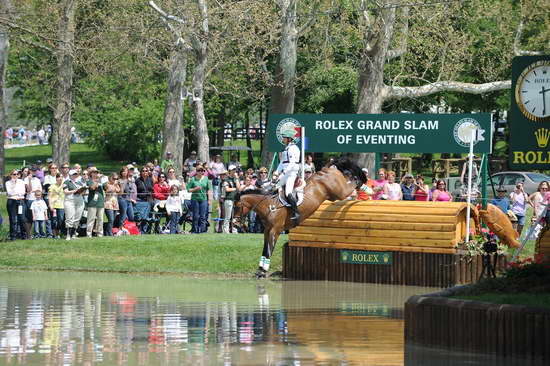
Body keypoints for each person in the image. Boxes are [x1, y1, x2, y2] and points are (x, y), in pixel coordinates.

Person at [275, 129, 301, 223]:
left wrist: (283, 173)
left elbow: (292, 163)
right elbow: (282, 162)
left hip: (291, 173)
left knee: (288, 192)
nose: (283, 139)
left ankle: (296, 212)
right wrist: (276, 172)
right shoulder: (286, 148)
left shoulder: (293, 148)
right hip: (285, 173)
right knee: (274, 186)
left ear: (289, 139)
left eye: (284, 137)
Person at [187, 165, 212, 233]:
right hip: (195, 199)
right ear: (196, 171)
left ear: (203, 171)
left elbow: (209, 190)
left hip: (204, 199)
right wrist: (195, 189)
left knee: (203, 216)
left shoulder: (206, 179)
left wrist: (209, 199)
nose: (200, 172)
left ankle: (202, 230)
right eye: (198, 170)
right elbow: (188, 189)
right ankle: (195, 230)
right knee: (195, 216)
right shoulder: (193, 179)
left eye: (201, 170)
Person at [64, 169, 86, 240]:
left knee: (77, 218)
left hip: (79, 200)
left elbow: (83, 193)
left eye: (76, 174)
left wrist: (82, 190)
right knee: (70, 217)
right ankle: (68, 234)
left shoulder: (79, 182)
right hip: (70, 200)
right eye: (73, 174)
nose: (75, 175)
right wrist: (75, 190)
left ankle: (73, 234)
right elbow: (65, 191)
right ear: (70, 175)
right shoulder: (67, 182)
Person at [5, 169, 26, 240]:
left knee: (22, 219)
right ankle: (13, 236)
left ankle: (23, 235)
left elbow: (23, 192)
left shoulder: (21, 182)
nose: (16, 176)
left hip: (20, 201)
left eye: (17, 174)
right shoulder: (8, 183)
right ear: (11, 175)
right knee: (13, 219)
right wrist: (14, 184)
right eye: (14, 174)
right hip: (12, 201)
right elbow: (9, 192)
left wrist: (16, 193)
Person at [86, 168, 106, 237]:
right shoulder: (89, 181)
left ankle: (100, 233)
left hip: (100, 202)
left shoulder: (101, 181)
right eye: (94, 172)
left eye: (97, 172)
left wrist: (105, 180)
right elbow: (92, 187)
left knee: (100, 219)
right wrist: (97, 180)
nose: (96, 174)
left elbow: (107, 188)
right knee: (91, 219)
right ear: (91, 174)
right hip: (92, 203)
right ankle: (89, 234)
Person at [24, 166, 43, 239]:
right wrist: (29, 180)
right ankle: (28, 235)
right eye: (33, 171)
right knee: (29, 217)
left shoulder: (37, 180)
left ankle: (34, 233)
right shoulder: (26, 179)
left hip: (36, 200)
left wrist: (35, 191)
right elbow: (29, 190)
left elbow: (40, 190)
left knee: (34, 217)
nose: (34, 172)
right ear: (30, 171)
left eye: (35, 171)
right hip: (29, 199)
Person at [222, 166, 240, 234]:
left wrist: (237, 178)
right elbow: (227, 189)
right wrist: (235, 189)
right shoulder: (226, 179)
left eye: (235, 169)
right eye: (233, 170)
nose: (234, 171)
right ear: (229, 171)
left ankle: (234, 230)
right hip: (229, 199)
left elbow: (239, 187)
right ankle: (226, 230)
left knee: (235, 216)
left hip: (235, 199)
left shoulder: (235, 179)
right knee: (228, 216)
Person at [135, 167, 154, 233]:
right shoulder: (137, 180)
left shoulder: (150, 180)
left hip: (149, 200)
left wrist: (150, 194)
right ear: (140, 172)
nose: (145, 172)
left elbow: (152, 190)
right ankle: (142, 229)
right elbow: (136, 192)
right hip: (140, 200)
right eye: (143, 171)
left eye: (146, 171)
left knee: (149, 215)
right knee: (143, 215)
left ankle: (148, 230)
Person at [48, 173, 65, 238]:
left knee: (61, 220)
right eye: (59, 177)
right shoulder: (52, 186)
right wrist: (50, 205)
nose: (60, 178)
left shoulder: (64, 186)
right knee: (54, 220)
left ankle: (59, 233)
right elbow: (49, 196)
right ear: (56, 178)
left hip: (62, 205)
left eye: (61, 177)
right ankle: (55, 235)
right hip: (54, 205)